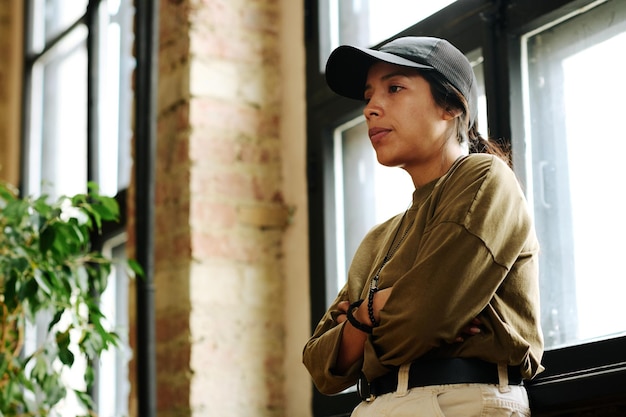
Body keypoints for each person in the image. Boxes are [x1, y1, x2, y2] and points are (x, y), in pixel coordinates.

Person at [302, 36, 544, 416]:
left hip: (456, 401)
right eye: (368, 96)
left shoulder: (484, 178)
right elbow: (320, 365)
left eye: (394, 88)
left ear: (450, 105)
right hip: (374, 406)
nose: (371, 109)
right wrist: (378, 308)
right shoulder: (379, 238)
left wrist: (358, 320)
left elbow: (424, 319)